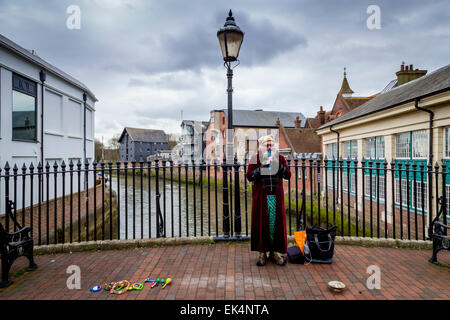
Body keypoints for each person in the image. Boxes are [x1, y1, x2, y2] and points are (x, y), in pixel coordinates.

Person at [246, 135, 291, 266]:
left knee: (275, 225)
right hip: (261, 197)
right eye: (267, 145)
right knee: (262, 225)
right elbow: (249, 176)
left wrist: (277, 165)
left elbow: (288, 175)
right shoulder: (255, 159)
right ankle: (262, 252)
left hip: (276, 196)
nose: (269, 147)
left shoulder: (280, 158)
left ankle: (274, 252)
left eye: (271, 145)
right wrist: (263, 167)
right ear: (261, 147)